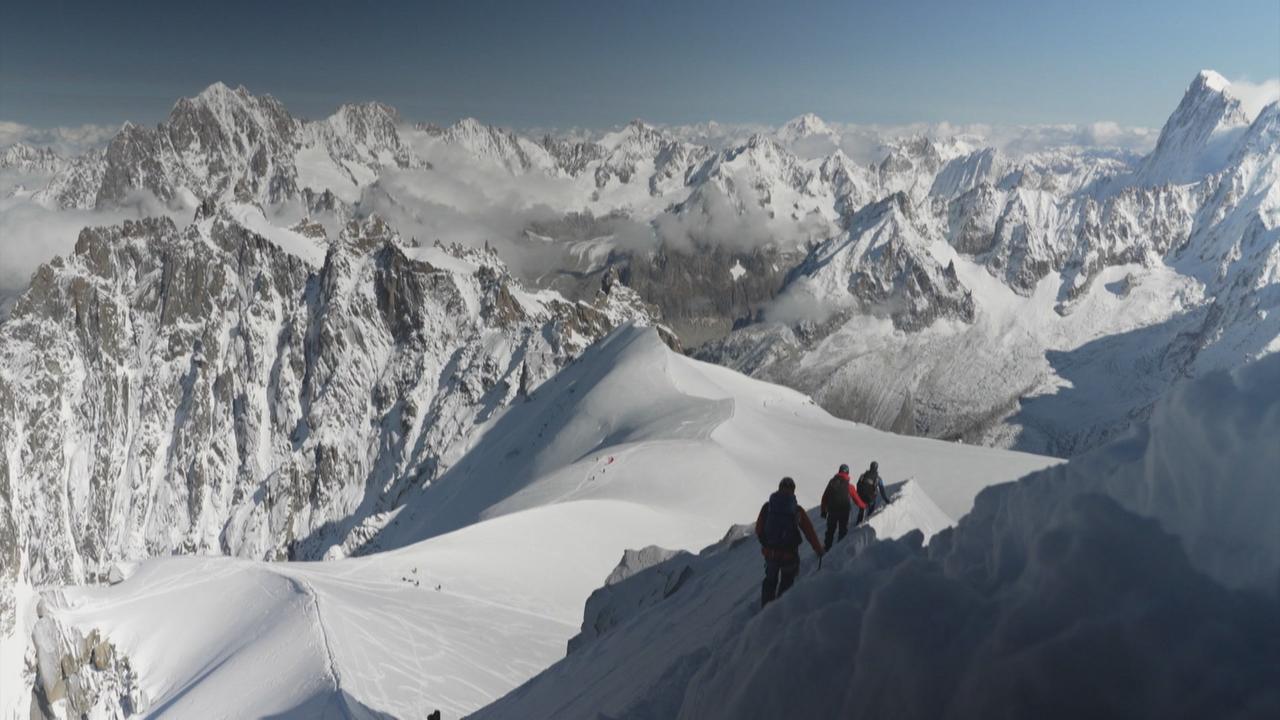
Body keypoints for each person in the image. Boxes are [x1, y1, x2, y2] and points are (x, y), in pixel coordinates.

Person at [756, 477, 823, 607]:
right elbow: (809, 532)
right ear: (793, 491)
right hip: (789, 555)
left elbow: (759, 529)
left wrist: (767, 545)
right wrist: (818, 549)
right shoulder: (797, 510)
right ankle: (780, 610)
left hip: (771, 553)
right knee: (786, 581)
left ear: (779, 488)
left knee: (770, 581)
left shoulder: (768, 506)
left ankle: (764, 613)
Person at [820, 463, 867, 551]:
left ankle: (827, 548)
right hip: (844, 513)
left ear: (839, 472)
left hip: (832, 511)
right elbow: (857, 499)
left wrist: (823, 510)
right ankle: (839, 550)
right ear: (847, 473)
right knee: (842, 530)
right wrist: (864, 506)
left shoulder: (831, 483)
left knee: (830, 531)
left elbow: (825, 497)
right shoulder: (849, 486)